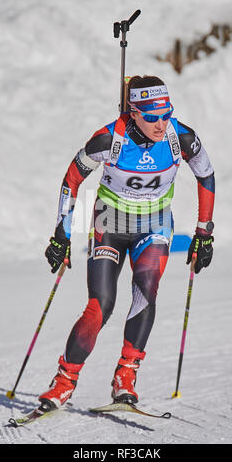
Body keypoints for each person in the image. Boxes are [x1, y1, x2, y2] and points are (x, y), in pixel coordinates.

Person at [38, 75, 215, 410]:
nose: (161, 124)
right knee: (100, 305)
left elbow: (206, 174)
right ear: (133, 112)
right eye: (151, 117)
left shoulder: (181, 137)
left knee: (146, 288)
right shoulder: (109, 139)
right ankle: (63, 382)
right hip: (111, 220)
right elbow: (72, 178)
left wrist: (204, 232)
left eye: (166, 114)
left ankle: (126, 375)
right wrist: (62, 232)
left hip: (155, 222)